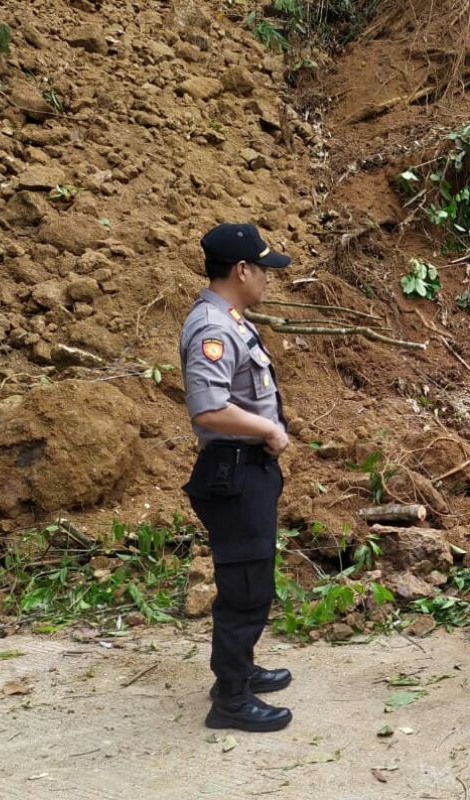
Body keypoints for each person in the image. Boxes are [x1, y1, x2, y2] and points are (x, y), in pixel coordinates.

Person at [179, 223, 294, 732]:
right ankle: (230, 699)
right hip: (234, 471)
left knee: (252, 577)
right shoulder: (213, 328)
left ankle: (240, 670)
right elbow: (209, 408)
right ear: (241, 269)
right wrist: (268, 427)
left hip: (250, 469)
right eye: (264, 268)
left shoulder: (231, 320)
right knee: (245, 585)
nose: (269, 278)